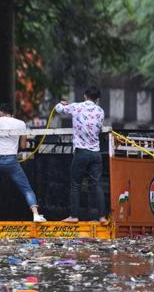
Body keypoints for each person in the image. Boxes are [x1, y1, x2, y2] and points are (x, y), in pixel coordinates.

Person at [0, 103, 47, 222]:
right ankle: (36, 215)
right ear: (12, 114)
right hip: (11, 161)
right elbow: (22, 145)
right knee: (26, 189)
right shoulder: (21, 123)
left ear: (1, 112)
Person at [55, 86, 106, 223]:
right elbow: (99, 128)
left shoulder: (76, 107)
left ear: (84, 96)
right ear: (98, 99)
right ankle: (102, 217)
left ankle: (74, 216)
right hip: (96, 153)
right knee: (97, 184)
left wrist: (62, 103)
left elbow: (58, 110)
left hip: (81, 152)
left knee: (76, 184)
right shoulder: (101, 111)